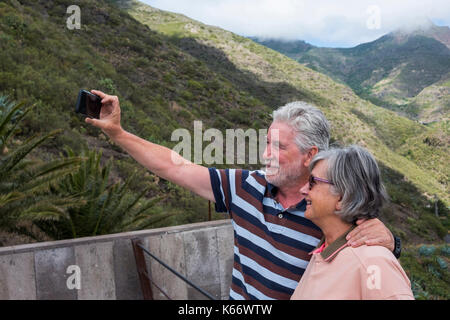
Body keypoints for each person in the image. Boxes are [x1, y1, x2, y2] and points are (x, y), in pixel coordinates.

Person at [85, 90, 400, 300]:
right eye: (266, 143)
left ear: (310, 154)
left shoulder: (326, 209)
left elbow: (369, 256)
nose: (266, 154)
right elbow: (176, 167)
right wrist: (119, 134)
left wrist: (391, 240)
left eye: (278, 147)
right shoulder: (245, 186)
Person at [291, 145, 414, 299]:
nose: (303, 190)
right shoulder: (326, 250)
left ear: (342, 197)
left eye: (312, 182)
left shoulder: (372, 262)